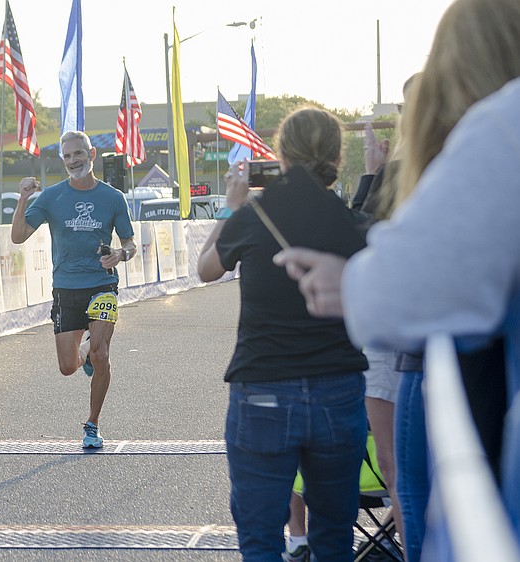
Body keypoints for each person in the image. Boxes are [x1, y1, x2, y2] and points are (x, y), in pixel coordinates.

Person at [274, 0, 520, 557]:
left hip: (455, 387)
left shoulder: (500, 127)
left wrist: (349, 282)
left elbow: (399, 292)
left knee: (413, 489)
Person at [197, 108, 369, 561]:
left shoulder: (255, 214)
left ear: (279, 154)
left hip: (264, 386)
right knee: (335, 536)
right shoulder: (349, 218)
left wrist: (231, 206)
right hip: (338, 385)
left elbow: (205, 269)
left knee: (260, 538)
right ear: (335, 155)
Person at [10, 130, 136, 449]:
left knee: (103, 354)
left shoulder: (113, 197)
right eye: (67, 156)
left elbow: (131, 244)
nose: (73, 160)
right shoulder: (52, 197)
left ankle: (92, 424)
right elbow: (18, 236)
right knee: (68, 367)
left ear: (91, 155)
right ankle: (86, 353)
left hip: (102, 284)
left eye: (78, 154)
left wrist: (120, 254)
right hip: (66, 288)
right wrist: (23, 198)